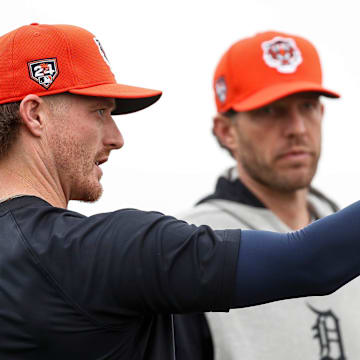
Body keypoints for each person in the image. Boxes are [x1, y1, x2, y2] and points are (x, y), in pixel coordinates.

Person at [1, 24, 360, 360]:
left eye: (308, 107)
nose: (117, 137)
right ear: (35, 114)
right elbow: (311, 262)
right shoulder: (104, 251)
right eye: (99, 111)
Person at [176, 31, 359, 359]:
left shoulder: (346, 232)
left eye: (307, 106)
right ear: (226, 131)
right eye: (270, 110)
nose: (298, 128)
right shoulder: (192, 243)